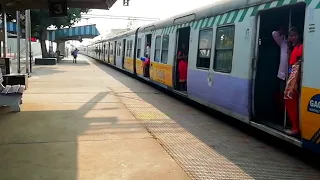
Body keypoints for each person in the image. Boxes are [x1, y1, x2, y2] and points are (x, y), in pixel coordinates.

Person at [284, 27, 303, 136]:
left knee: (289, 98)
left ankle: (295, 128)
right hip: (292, 75)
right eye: (291, 36)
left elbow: (298, 64)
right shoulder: (293, 48)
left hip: (295, 77)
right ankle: (294, 126)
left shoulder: (301, 47)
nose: (293, 37)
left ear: (299, 35)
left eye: (295, 35)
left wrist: (293, 81)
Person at [272, 27, 288, 120]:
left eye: (294, 35)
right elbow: (274, 33)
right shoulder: (283, 43)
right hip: (282, 75)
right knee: (282, 96)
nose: (291, 37)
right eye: (290, 35)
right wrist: (282, 31)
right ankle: (282, 116)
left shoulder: (296, 46)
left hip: (292, 76)